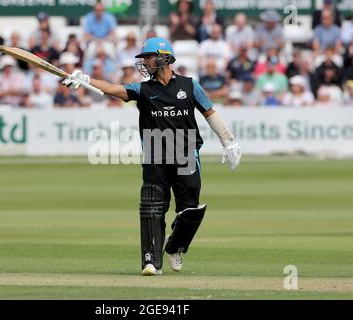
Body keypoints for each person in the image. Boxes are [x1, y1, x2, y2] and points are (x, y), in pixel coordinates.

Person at [62, 37, 242, 276]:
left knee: (190, 211)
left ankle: (175, 248)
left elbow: (210, 112)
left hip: (186, 152)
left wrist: (228, 141)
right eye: (143, 58)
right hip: (155, 154)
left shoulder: (189, 85)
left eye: (148, 57)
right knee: (152, 208)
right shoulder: (143, 89)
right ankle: (150, 261)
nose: (144, 62)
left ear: (164, 57)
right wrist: (86, 80)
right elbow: (112, 88)